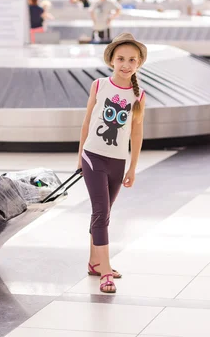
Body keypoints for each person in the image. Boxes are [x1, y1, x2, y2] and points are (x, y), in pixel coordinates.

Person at [77, 33, 146, 294]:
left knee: (102, 213)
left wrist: (132, 167)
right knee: (101, 212)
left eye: (131, 60)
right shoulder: (99, 85)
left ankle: (95, 262)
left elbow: (137, 133)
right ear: (112, 61)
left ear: (138, 63)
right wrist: (79, 156)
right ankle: (105, 272)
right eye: (121, 59)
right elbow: (86, 122)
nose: (126, 64)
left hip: (118, 161)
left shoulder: (139, 96)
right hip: (93, 155)